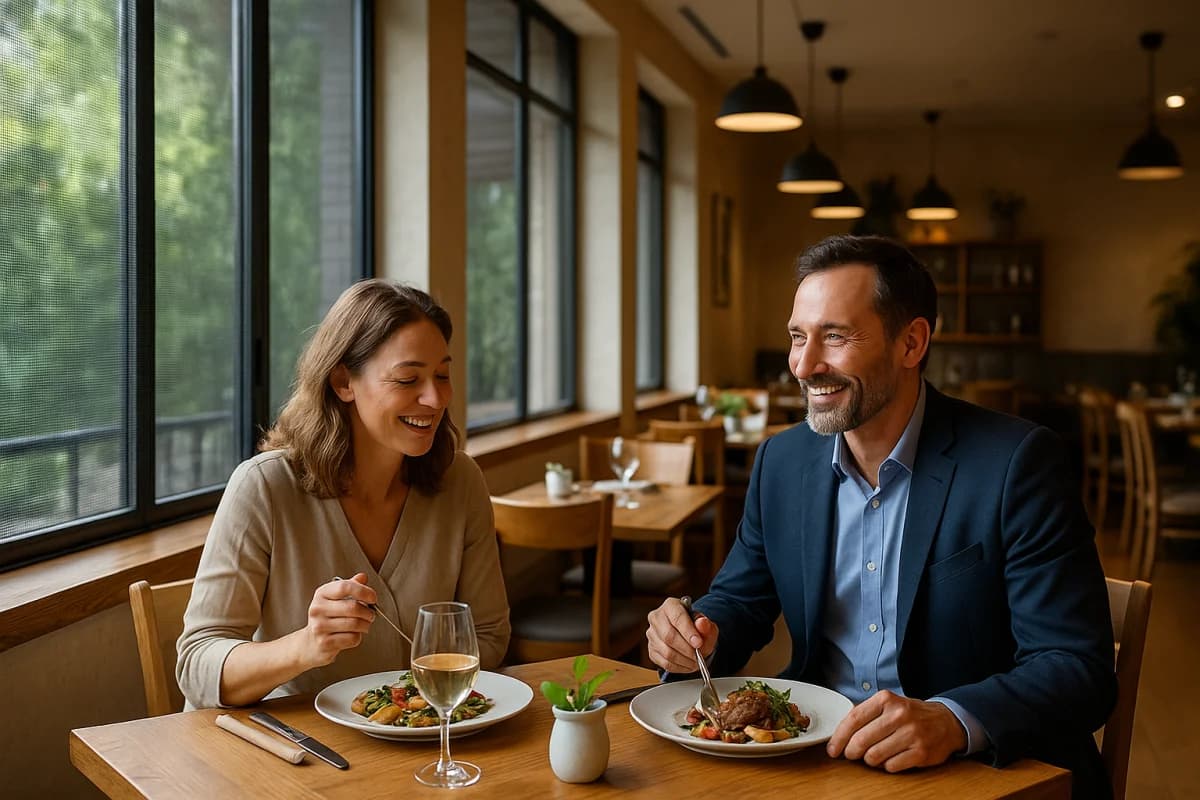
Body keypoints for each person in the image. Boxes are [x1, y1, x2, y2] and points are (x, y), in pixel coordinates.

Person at [646, 235, 1115, 798]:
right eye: (797, 337)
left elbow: (1077, 668)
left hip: (976, 773)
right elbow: (742, 601)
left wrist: (952, 719)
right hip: (818, 762)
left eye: (835, 337)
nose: (805, 364)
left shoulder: (1018, 463)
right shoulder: (782, 462)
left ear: (912, 342)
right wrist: (697, 633)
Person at [177, 280, 510, 709]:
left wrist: (405, 706)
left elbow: (488, 636)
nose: (435, 397)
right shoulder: (264, 486)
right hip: (290, 751)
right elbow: (196, 668)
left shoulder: (460, 482)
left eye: (442, 375)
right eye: (408, 378)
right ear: (342, 382)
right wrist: (306, 645)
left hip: (417, 744)